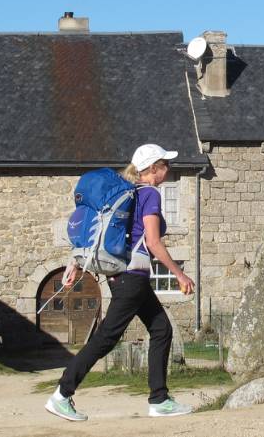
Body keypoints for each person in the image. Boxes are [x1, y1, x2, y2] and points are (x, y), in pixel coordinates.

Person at [46, 144, 196, 421]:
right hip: (132, 279)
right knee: (106, 338)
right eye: (166, 165)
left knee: (161, 329)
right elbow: (152, 241)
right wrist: (179, 273)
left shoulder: (129, 194)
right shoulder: (149, 194)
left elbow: (103, 233)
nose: (169, 170)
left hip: (123, 277)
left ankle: (159, 399)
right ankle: (62, 394)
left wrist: (75, 263)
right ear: (153, 169)